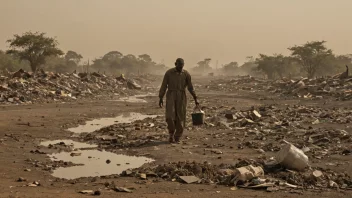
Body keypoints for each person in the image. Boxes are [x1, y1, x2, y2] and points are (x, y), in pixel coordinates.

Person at [159, 58, 199, 143]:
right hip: (171, 95)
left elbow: (190, 87)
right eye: (179, 65)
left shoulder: (186, 74)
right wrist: (161, 97)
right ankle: (171, 134)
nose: (181, 67)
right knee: (170, 116)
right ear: (175, 64)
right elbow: (164, 85)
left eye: (182, 65)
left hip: (181, 96)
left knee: (181, 116)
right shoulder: (169, 73)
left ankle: (177, 136)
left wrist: (195, 98)